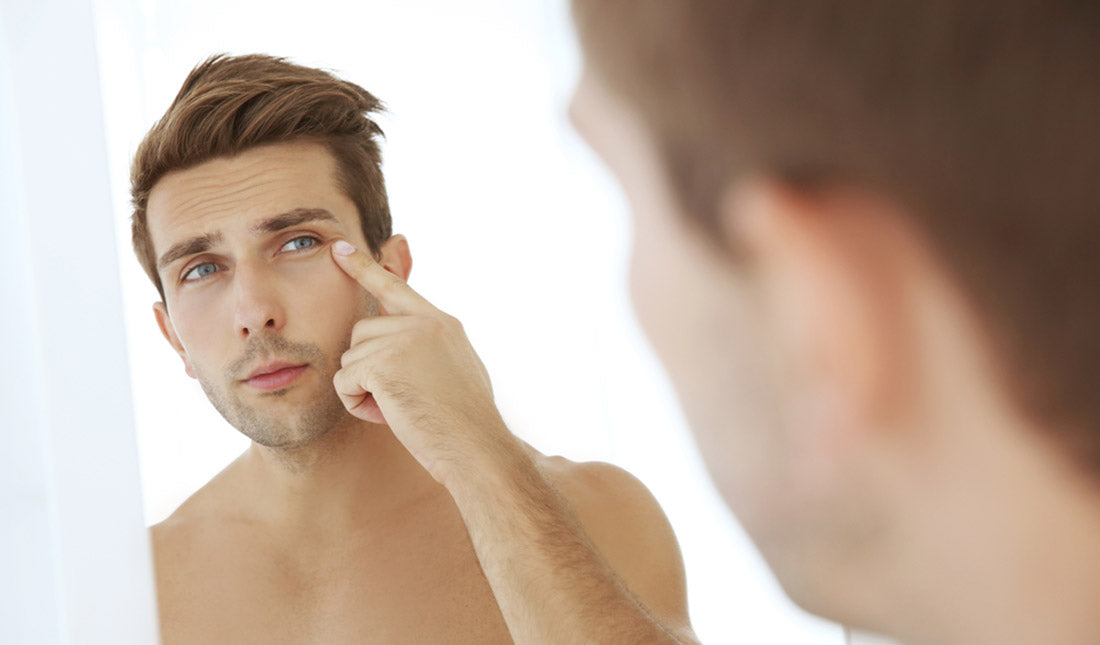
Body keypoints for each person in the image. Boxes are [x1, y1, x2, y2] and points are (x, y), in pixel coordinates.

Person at [130, 54, 694, 644]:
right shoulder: (135, 590)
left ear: (391, 271)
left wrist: (478, 453)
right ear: (173, 337)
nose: (254, 311)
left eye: (298, 242)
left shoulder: (588, 515)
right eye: (201, 270)